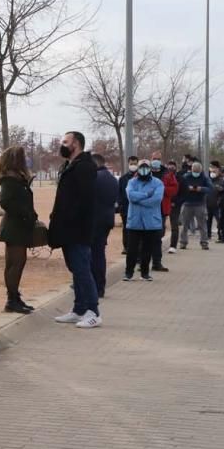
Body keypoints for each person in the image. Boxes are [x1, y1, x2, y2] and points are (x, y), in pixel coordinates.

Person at [48, 131, 100, 328]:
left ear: (76, 144)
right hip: (67, 229)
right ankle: (79, 309)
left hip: (78, 229)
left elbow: (85, 200)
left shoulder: (85, 167)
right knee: (76, 270)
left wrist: (71, 220)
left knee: (82, 270)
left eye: (65, 141)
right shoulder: (69, 166)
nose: (62, 144)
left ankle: (93, 311)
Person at [0, 145, 38, 314]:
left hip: (17, 226)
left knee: (16, 263)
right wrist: (26, 214)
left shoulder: (15, 177)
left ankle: (14, 297)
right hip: (15, 227)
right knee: (16, 263)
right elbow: (6, 202)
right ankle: (12, 299)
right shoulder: (10, 179)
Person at [123, 159, 165, 281]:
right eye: (141, 167)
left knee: (147, 249)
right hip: (135, 221)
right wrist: (147, 195)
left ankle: (145, 273)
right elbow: (131, 196)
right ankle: (128, 273)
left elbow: (156, 200)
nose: (144, 169)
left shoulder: (158, 183)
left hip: (151, 222)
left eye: (146, 167)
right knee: (132, 249)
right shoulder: (132, 182)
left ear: (150, 168)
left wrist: (139, 199)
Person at [91, 154, 119, 299]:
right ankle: (100, 286)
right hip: (107, 219)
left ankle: (94, 286)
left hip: (94, 220)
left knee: (93, 255)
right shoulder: (112, 179)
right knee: (99, 253)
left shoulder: (95, 178)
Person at [177, 160, 212, 250]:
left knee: (202, 225)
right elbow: (179, 187)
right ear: (191, 170)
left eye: (197, 172)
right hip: (187, 204)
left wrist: (200, 189)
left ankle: (204, 242)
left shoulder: (204, 178)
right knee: (185, 225)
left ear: (200, 171)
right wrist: (188, 188)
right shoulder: (186, 177)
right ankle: (183, 242)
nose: (195, 173)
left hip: (199, 204)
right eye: (194, 171)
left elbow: (210, 188)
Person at [150, 152, 175, 271]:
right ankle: (144, 262)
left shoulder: (168, 174)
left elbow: (174, 189)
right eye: (154, 158)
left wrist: (161, 189)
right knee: (145, 237)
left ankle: (157, 262)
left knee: (158, 236)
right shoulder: (144, 171)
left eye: (158, 159)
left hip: (161, 210)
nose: (156, 160)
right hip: (147, 209)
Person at [117, 155, 139, 255]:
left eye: (135, 164)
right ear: (128, 164)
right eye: (131, 164)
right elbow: (119, 193)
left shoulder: (141, 177)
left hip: (137, 207)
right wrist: (120, 205)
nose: (133, 166)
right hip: (125, 208)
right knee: (126, 229)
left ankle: (136, 247)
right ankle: (126, 247)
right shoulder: (123, 178)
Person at [166, 159, 184, 252]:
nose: (171, 168)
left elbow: (184, 193)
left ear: (176, 168)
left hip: (175, 205)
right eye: (169, 166)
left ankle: (173, 245)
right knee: (160, 225)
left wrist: (177, 202)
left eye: (173, 166)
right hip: (164, 204)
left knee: (174, 225)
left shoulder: (180, 178)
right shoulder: (164, 176)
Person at [205, 162, 222, 239]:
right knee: (208, 221)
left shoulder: (221, 180)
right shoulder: (207, 180)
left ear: (218, 170)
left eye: (214, 170)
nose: (212, 172)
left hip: (217, 205)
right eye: (211, 170)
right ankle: (208, 235)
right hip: (208, 204)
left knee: (219, 221)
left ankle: (220, 235)